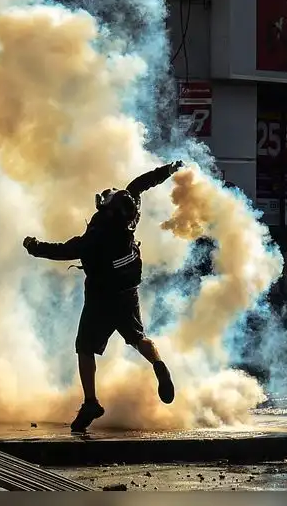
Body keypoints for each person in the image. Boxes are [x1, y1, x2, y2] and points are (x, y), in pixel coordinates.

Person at [23, 160, 185, 433]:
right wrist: (167, 171)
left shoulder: (96, 238)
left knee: (85, 347)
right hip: (127, 294)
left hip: (100, 299)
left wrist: (34, 246)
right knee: (138, 338)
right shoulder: (129, 219)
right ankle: (158, 363)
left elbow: (63, 250)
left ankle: (90, 402)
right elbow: (138, 185)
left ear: (108, 211)